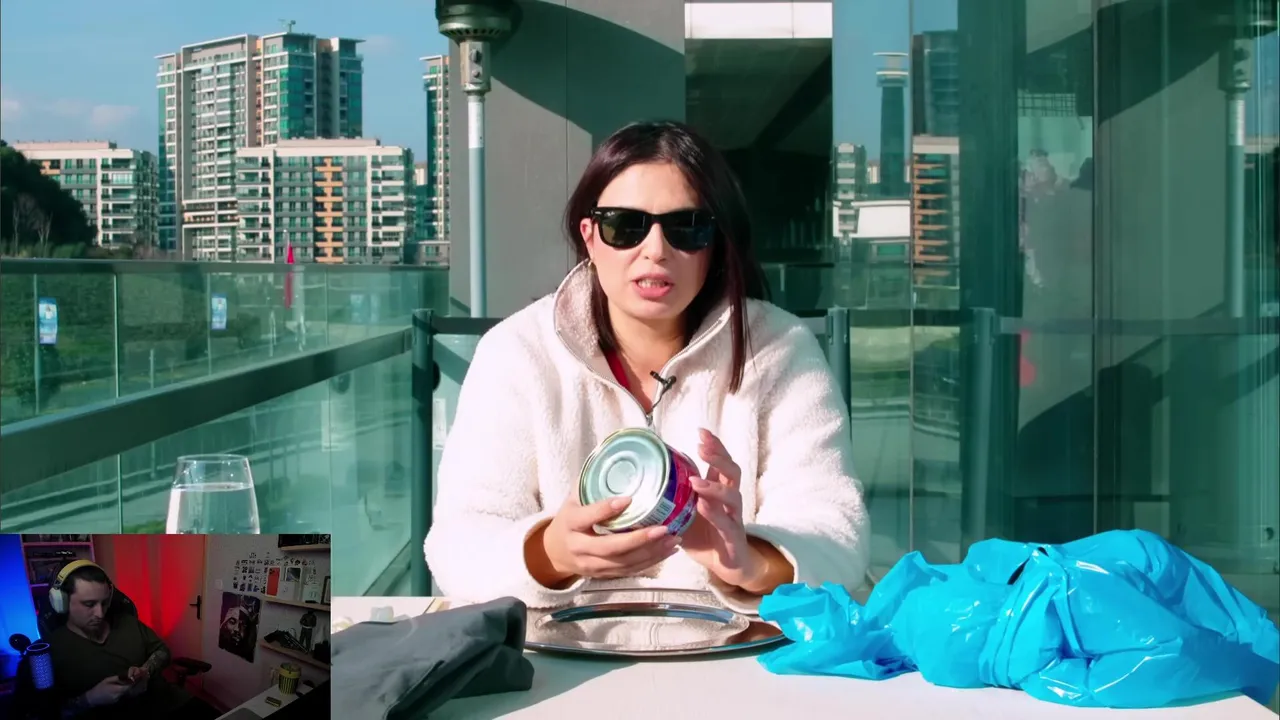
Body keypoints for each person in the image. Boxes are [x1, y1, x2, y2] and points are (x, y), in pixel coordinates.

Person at [424, 120, 869, 613]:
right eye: (625, 226)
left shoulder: (780, 348)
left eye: (687, 227)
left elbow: (838, 532)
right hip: (560, 651)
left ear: (715, 244)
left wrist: (748, 561)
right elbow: (456, 541)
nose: (655, 250)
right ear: (590, 237)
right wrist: (552, 553)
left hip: (735, 650)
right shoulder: (517, 352)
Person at [45, 561, 220, 720]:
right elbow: (48, 712)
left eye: (104, 603)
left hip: (169, 703)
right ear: (62, 602)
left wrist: (146, 671)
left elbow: (162, 651)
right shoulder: (49, 651)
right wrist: (90, 698)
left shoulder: (128, 623)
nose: (100, 613)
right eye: (89, 604)